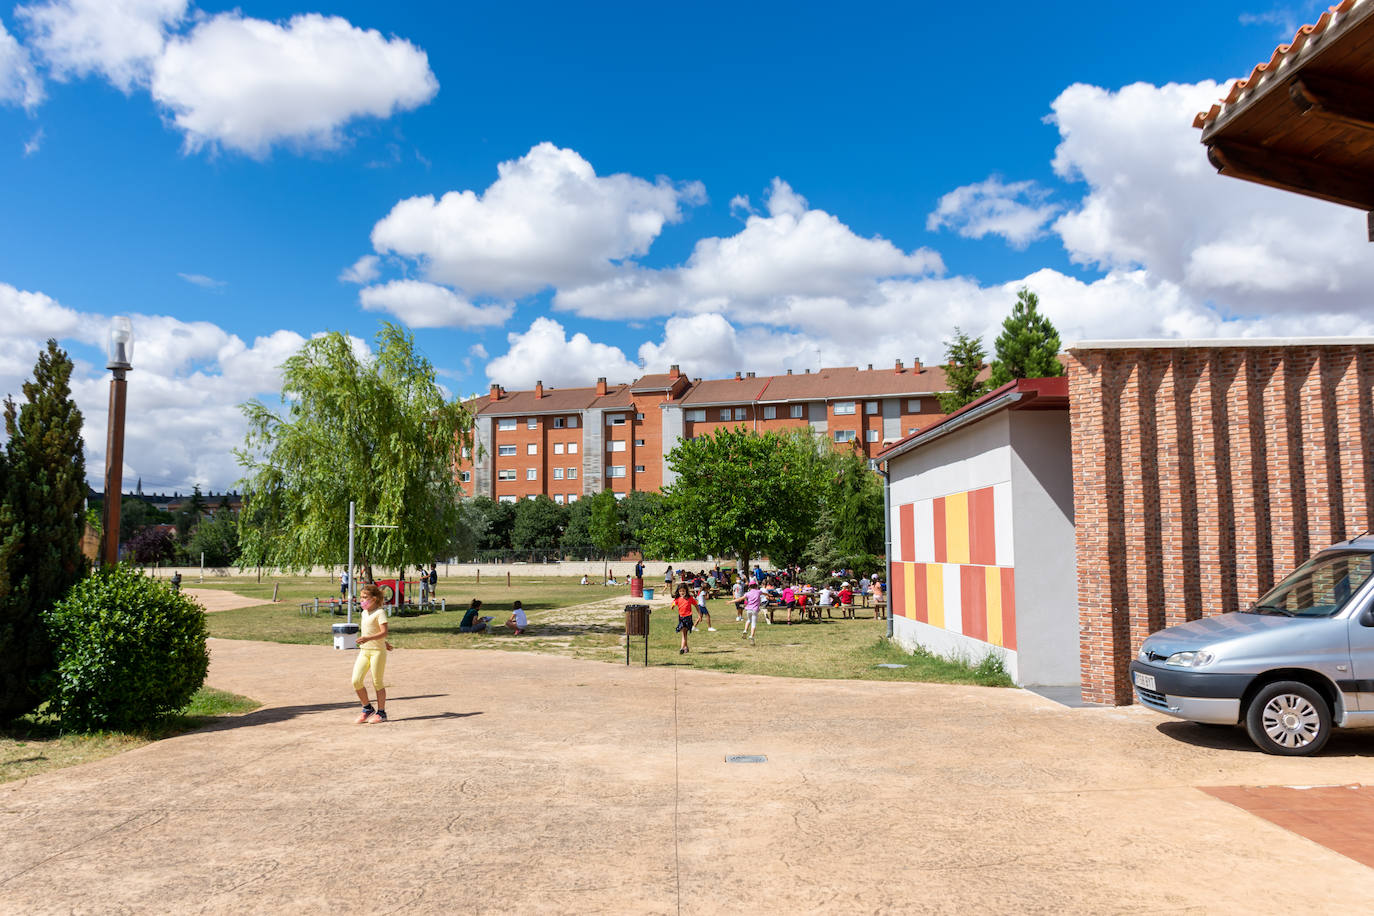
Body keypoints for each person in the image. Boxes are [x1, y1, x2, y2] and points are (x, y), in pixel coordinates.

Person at [352, 584, 393, 724]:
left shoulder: (380, 613)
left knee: (377, 682)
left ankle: (381, 713)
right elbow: (372, 630)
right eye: (361, 597)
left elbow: (384, 631)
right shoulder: (364, 612)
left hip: (377, 652)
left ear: (374, 599)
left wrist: (371, 640)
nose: (361, 599)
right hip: (365, 651)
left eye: (365, 597)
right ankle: (367, 708)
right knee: (356, 680)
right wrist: (383, 641)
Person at [734, 579, 764, 644]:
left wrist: (731, 601)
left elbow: (740, 599)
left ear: (750, 587)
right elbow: (764, 593)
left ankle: (745, 630)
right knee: (753, 623)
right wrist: (769, 595)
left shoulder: (747, 593)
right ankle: (751, 635)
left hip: (748, 609)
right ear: (756, 586)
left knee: (748, 620)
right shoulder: (758, 592)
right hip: (755, 610)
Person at [673, 584, 695, 654]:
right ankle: (685, 648)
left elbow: (696, 605)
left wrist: (700, 614)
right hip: (681, 618)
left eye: (683, 591)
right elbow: (674, 603)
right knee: (684, 633)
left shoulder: (690, 598)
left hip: (688, 617)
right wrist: (672, 606)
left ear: (686, 591)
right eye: (680, 591)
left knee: (684, 633)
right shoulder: (678, 599)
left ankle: (682, 648)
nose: (682, 592)